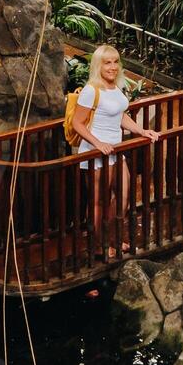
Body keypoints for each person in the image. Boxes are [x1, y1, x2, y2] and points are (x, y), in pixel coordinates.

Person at [72, 44, 159, 257]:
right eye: (107, 62)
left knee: (122, 197)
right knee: (98, 201)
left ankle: (112, 238)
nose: (112, 67)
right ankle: (99, 244)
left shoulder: (116, 87)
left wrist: (142, 131)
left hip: (116, 150)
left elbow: (120, 116)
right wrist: (97, 143)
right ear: (98, 65)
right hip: (95, 153)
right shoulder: (91, 90)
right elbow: (77, 123)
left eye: (115, 61)